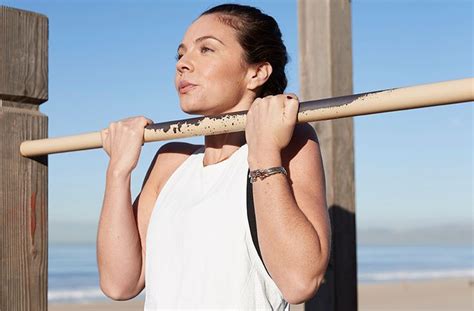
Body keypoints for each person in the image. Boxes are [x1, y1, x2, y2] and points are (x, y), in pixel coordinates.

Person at [97, 3, 331, 310]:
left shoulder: (290, 145)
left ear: (256, 72)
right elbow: (119, 283)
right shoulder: (170, 161)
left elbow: (299, 281)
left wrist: (263, 152)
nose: (183, 64)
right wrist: (118, 172)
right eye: (180, 54)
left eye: (206, 49)